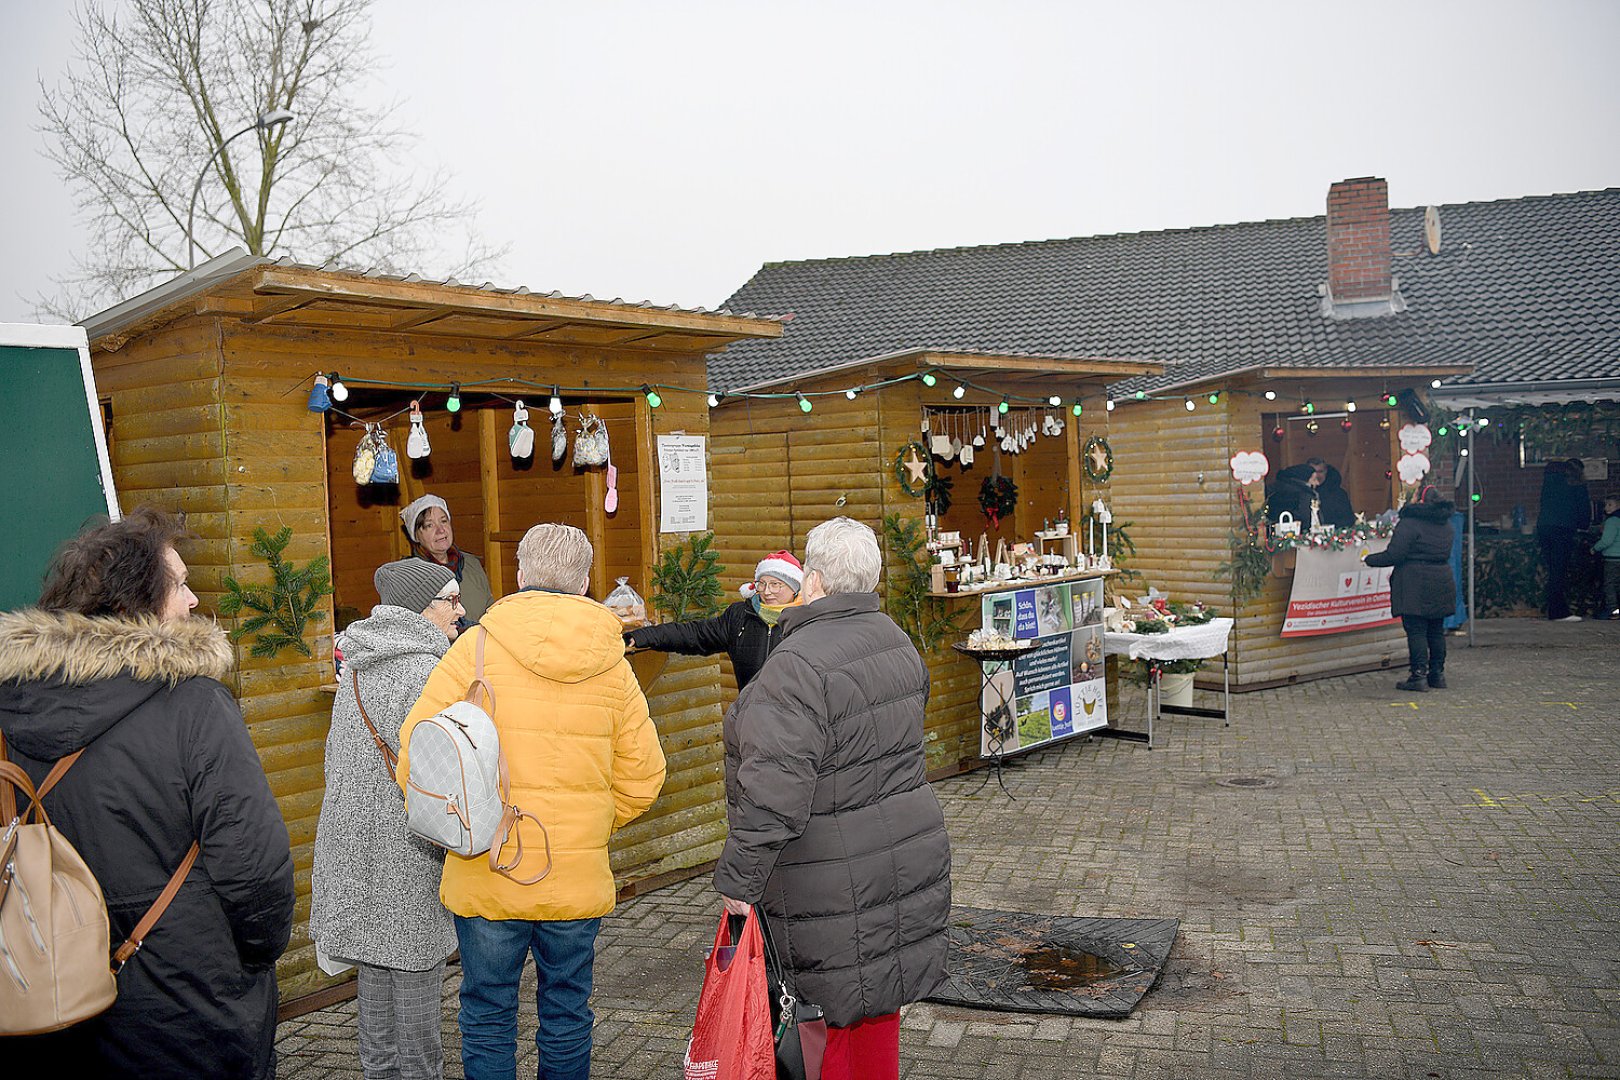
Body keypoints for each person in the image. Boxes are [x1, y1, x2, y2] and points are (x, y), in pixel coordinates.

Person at [0, 508, 295, 1078]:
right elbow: (255, 869)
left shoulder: (13, 706)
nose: (191, 601)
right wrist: (252, 960)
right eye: (179, 585)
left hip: (51, 991)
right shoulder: (196, 706)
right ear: (133, 605)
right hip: (188, 1007)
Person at [396, 523, 666, 1080]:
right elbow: (644, 777)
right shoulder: (613, 662)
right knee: (567, 1013)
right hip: (573, 873)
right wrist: (588, 823)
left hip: (486, 869)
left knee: (488, 1015)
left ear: (518, 576)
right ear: (586, 582)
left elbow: (415, 759)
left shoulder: (472, 649)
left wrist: (468, 817)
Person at [714, 517, 952, 1080]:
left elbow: (773, 794)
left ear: (813, 580)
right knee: (875, 1013)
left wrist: (738, 886)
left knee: (826, 1027)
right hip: (898, 859)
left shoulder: (796, 665)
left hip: (827, 879)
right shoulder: (896, 639)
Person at [311, 558, 466, 1080]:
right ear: (421, 608)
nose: (460, 610)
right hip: (408, 852)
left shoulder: (356, 661)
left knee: (374, 980)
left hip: (354, 849)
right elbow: (438, 774)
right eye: (450, 599)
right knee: (419, 1002)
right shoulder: (426, 671)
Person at [624, 550, 803, 690]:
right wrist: (642, 636)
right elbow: (695, 634)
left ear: (794, 588)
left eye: (776, 584)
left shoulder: (808, 621)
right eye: (762, 584)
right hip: (752, 719)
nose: (767, 591)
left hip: (797, 724)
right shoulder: (741, 616)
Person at [1364, 486, 1458, 692]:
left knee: (1416, 630)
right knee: (1436, 630)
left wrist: (1368, 559)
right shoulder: (1447, 525)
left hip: (1415, 582)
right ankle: (1437, 674)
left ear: (1420, 501)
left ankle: (1418, 676)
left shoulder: (1410, 524)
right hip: (1441, 578)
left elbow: (1394, 555)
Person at [401, 493, 496, 625]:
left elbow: (490, 610)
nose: (440, 530)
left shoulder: (471, 564)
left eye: (443, 521)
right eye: (429, 525)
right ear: (416, 536)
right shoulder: (410, 576)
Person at [1537, 460, 1592, 621]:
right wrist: (1583, 525)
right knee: (1559, 571)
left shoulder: (1550, 482)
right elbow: (1583, 509)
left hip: (1545, 527)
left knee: (1554, 570)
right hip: (1563, 529)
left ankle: (1556, 609)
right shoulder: (1577, 485)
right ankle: (1558, 611)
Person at [1269, 457, 1354, 529]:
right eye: (1313, 473)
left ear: (1326, 471)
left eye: (1320, 471)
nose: (1317, 475)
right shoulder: (1294, 495)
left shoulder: (1338, 494)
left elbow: (1348, 520)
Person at [1594, 494, 1620, 620]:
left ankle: (1613, 611)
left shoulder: (1612, 521)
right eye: (1606, 504)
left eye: (1610, 504)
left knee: (1610, 585)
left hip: (1612, 558)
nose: (1606, 508)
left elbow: (1607, 541)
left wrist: (1594, 548)